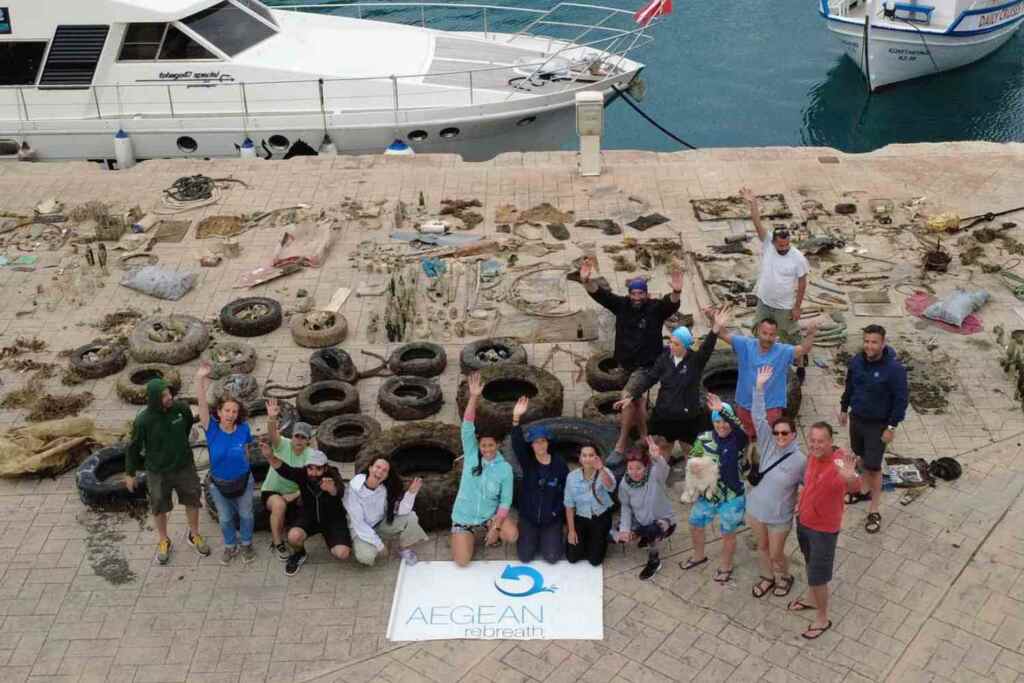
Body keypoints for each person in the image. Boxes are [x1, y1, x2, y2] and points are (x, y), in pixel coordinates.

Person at [578, 256, 683, 453]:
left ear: (647, 294)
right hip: (625, 364)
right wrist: (586, 280)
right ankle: (644, 436)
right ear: (629, 294)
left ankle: (621, 442)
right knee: (638, 400)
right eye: (633, 293)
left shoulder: (655, 309)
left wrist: (676, 291)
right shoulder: (622, 305)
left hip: (647, 367)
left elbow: (671, 303)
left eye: (640, 293)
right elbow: (600, 294)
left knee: (626, 396)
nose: (636, 297)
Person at [615, 306, 733, 459]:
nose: (671, 346)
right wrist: (632, 395)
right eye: (671, 342)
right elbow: (651, 378)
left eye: (676, 344)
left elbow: (708, 346)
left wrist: (716, 327)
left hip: (688, 417)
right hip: (665, 414)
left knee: (690, 449)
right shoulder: (664, 358)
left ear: (685, 346)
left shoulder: (696, 361)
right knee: (663, 446)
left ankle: (693, 476)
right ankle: (660, 476)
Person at [788, 422, 862, 639]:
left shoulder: (839, 461)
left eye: (821, 441)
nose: (816, 445)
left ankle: (822, 618)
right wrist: (801, 502)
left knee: (818, 577)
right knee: (809, 563)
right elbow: (810, 484)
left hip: (823, 530)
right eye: (812, 440)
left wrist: (850, 477)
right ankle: (811, 600)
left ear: (830, 441)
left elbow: (856, 487)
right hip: (804, 522)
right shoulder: (812, 456)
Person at [125, 378, 210, 564]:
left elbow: (187, 426)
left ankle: (194, 534)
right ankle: (164, 540)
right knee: (158, 505)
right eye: (164, 395)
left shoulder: (181, 410)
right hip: (157, 471)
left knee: (193, 498)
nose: (169, 397)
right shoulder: (143, 421)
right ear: (154, 398)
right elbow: (133, 447)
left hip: (184, 465)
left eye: (169, 393)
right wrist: (130, 473)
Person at [839, 324, 909, 534]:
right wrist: (844, 408)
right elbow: (849, 386)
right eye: (867, 341)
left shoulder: (895, 370)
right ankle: (864, 490)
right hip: (857, 419)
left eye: (874, 342)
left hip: (878, 425)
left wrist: (891, 426)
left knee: (874, 466)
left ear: (883, 343)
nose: (869, 346)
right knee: (860, 457)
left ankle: (874, 509)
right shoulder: (856, 361)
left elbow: (901, 400)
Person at [746, 366, 806, 599]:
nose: (780, 437)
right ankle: (767, 577)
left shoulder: (800, 460)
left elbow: (809, 485)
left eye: (785, 433)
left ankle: (784, 576)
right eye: (777, 433)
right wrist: (759, 387)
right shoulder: (768, 444)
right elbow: (758, 416)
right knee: (761, 548)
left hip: (779, 517)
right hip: (756, 509)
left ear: (793, 435)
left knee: (775, 553)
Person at [451, 371, 518, 567]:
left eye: (491, 445)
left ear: (497, 445)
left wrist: (495, 527)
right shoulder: (471, 454)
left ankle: (490, 533)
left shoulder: (505, 469)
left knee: (512, 535)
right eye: (484, 445)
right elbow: (467, 425)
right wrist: (473, 397)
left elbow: (505, 503)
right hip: (464, 516)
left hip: (489, 516)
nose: (487, 449)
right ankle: (461, 536)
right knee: (462, 561)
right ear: (478, 445)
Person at [680, 395, 749, 582]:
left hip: (731, 496)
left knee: (728, 533)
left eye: (725, 421)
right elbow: (693, 458)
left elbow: (741, 428)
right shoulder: (703, 438)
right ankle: (698, 556)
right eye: (717, 421)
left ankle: (726, 566)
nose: (722, 425)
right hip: (707, 495)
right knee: (695, 523)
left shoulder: (739, 439)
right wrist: (693, 466)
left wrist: (723, 411)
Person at [718, 317, 817, 440]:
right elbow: (722, 334)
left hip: (770, 409)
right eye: (764, 333)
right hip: (745, 406)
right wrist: (713, 319)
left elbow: (804, 349)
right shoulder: (745, 344)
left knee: (769, 441)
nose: (767, 338)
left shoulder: (783, 351)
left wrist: (810, 333)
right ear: (758, 331)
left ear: (776, 335)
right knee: (746, 438)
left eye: (771, 335)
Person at [196, 361, 256, 565]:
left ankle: (247, 544)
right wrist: (200, 378)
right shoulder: (210, 429)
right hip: (218, 485)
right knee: (225, 518)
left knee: (246, 515)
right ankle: (230, 546)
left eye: (234, 412)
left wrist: (244, 468)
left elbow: (247, 451)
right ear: (219, 412)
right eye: (227, 411)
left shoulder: (243, 429)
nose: (231, 415)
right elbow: (202, 404)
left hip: (244, 481)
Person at [264, 446, 351, 576]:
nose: (313, 472)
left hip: (333, 520)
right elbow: (284, 469)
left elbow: (340, 491)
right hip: (309, 517)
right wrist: (270, 456)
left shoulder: (333, 476)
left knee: (342, 554)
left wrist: (332, 490)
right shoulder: (303, 475)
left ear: (325, 468)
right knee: (293, 536)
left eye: (318, 468)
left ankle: (343, 539)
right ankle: (299, 554)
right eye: (310, 468)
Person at [740, 187, 810, 346]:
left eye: (787, 245)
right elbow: (757, 223)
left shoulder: (798, 258)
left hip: (783, 306)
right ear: (772, 242)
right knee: (759, 331)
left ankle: (799, 359)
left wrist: (797, 307)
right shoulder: (768, 243)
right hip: (764, 301)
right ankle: (764, 352)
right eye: (780, 245)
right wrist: (753, 203)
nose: (784, 248)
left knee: (788, 335)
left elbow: (802, 283)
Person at [510, 398, 569, 563]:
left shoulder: (559, 464)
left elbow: (566, 492)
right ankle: (533, 538)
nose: (540, 445)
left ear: (547, 443)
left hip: (551, 518)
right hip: (529, 517)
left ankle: (550, 536)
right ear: (532, 446)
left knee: (552, 557)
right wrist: (516, 419)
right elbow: (516, 443)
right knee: (525, 557)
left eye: (542, 441)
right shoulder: (528, 462)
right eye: (536, 442)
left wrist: (555, 513)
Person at [344, 458, 428, 566]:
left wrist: (411, 494)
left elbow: (401, 511)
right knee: (366, 557)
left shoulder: (385, 488)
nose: (380, 472)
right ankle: (361, 544)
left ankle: (404, 548)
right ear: (370, 468)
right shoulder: (354, 488)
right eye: (377, 467)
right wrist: (380, 546)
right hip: (360, 530)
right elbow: (359, 523)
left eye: (384, 470)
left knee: (411, 517)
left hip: (380, 524)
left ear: (387, 475)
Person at [616, 436, 677, 580]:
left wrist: (658, 458)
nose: (634, 472)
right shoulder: (624, 483)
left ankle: (654, 560)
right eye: (630, 468)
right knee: (616, 533)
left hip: (663, 521)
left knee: (652, 530)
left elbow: (663, 469)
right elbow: (625, 507)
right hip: (641, 520)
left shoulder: (655, 476)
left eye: (639, 468)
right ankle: (642, 534)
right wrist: (625, 529)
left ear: (646, 467)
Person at [261, 403, 314, 560]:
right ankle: (278, 543)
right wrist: (272, 417)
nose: (299, 440)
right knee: (279, 505)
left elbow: (312, 481)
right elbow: (272, 434)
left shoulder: (311, 456)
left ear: (308, 441)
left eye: (303, 437)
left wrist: (296, 493)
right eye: (297, 436)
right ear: (292, 436)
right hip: (272, 491)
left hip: (295, 493)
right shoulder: (282, 443)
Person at [564, 446, 617, 566]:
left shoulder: (604, 471)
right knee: (572, 557)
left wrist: (601, 469)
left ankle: (599, 537)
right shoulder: (572, 477)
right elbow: (569, 505)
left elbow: (611, 487)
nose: (588, 459)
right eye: (584, 455)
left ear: (597, 457)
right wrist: (571, 531)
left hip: (600, 516)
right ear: (580, 459)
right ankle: (587, 539)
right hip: (581, 516)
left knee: (595, 560)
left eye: (591, 455)